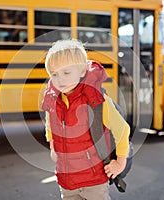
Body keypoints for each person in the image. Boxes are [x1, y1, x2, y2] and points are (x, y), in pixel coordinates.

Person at [41, 39, 130, 200]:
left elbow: (122, 129)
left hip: (94, 180)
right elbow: (50, 123)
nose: (60, 79)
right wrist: (52, 145)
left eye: (66, 73)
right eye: (54, 74)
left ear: (82, 71)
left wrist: (120, 162)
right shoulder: (53, 98)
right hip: (67, 180)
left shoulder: (96, 99)